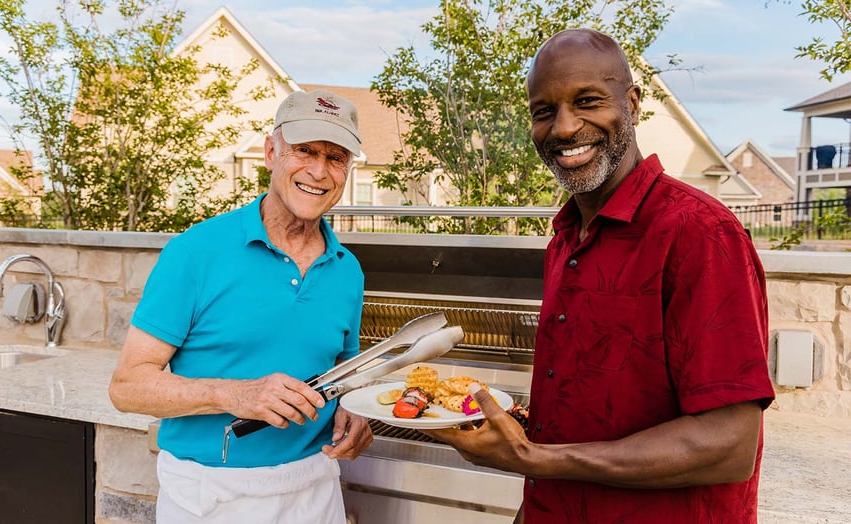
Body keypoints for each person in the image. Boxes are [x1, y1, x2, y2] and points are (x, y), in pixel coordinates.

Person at [425, 28, 775, 523]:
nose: (564, 128)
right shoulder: (566, 237)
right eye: (544, 111)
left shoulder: (698, 232)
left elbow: (730, 446)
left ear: (631, 104)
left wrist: (536, 459)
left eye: (587, 101)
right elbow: (578, 412)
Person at [109, 88, 373, 523]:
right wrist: (235, 393)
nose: (319, 171)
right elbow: (127, 387)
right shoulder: (195, 252)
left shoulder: (347, 270)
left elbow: (344, 374)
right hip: (213, 494)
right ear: (271, 152)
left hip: (315, 490)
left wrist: (354, 410)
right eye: (304, 150)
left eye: (336, 157)